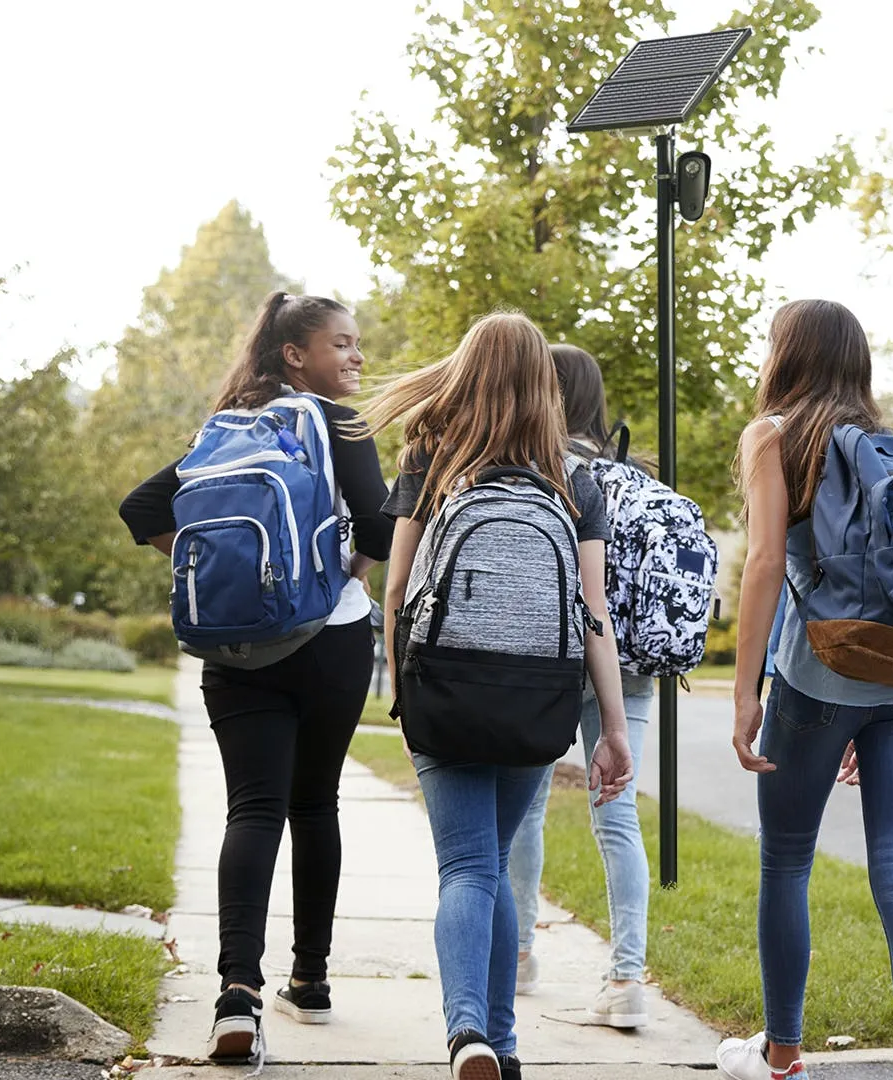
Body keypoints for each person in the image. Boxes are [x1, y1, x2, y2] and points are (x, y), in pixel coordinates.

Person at [119, 292, 392, 1063]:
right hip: (331, 641)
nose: (357, 356)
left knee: (253, 809)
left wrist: (225, 572)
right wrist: (341, 574)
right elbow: (378, 526)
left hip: (237, 649)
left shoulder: (223, 427)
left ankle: (237, 995)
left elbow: (141, 507)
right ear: (295, 354)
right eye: (342, 343)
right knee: (314, 803)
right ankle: (310, 980)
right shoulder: (337, 423)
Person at [365, 312, 635, 1080]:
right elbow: (593, 614)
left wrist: (403, 693)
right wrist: (611, 730)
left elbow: (396, 588)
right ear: (544, 384)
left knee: (467, 868)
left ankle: (467, 1033)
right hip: (538, 698)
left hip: (444, 688)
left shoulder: (431, 455)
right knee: (496, 863)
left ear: (465, 371)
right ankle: (504, 1046)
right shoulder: (573, 476)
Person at [717, 300, 893, 1080]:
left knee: (786, 862)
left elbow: (762, 564)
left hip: (819, 678)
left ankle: (783, 1058)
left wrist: (745, 691)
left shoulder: (774, 435)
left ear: (786, 355)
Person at [504, 344, 654, 1026]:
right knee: (618, 815)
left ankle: (519, 955)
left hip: (556, 657)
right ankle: (626, 980)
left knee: (527, 809)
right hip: (632, 665)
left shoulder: (541, 469)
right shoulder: (634, 473)